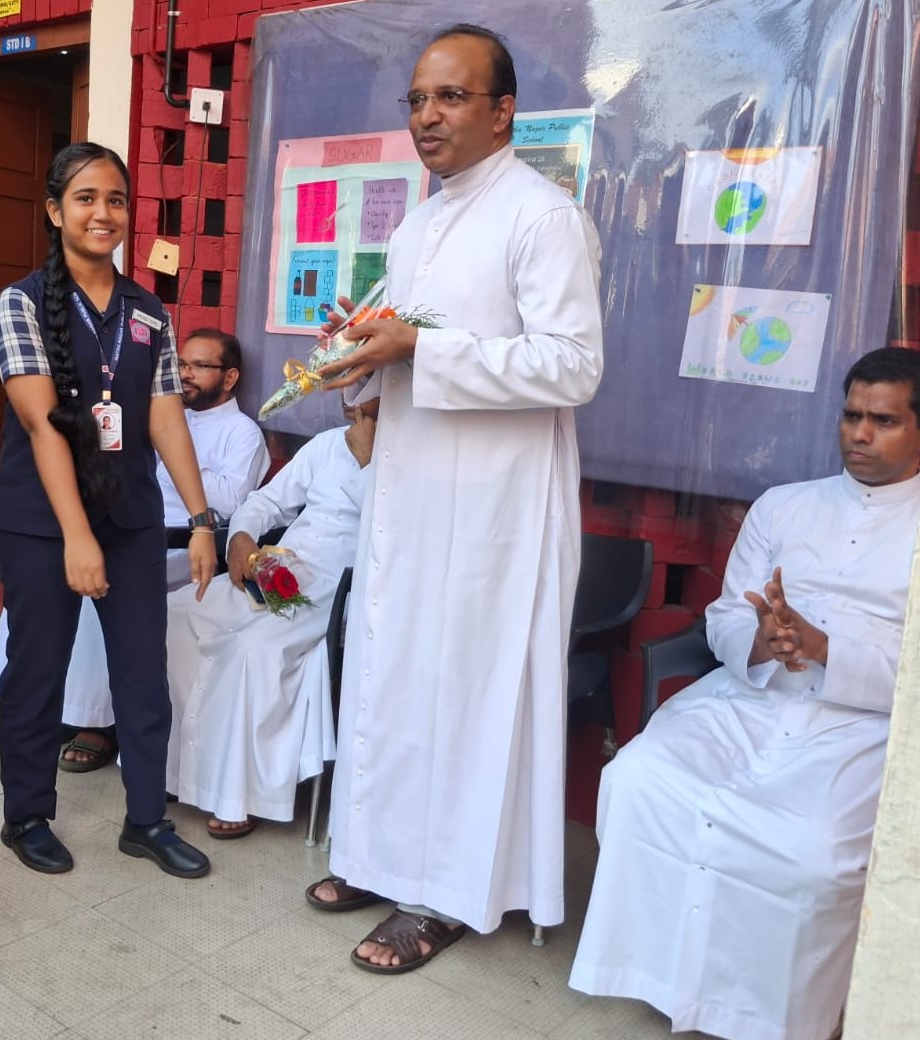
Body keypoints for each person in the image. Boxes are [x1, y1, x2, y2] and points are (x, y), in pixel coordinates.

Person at [305, 24, 604, 973]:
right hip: (412, 489)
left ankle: (445, 894)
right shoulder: (418, 222)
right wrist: (359, 357)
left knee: (463, 693)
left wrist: (418, 351)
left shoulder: (541, 215)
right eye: (418, 100)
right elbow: (406, 349)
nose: (427, 117)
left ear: (502, 109)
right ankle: (376, 855)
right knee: (393, 676)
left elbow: (574, 366)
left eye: (450, 98)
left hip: (494, 514)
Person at [570, 347, 920, 1040]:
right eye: (851, 415)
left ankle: (767, 1014)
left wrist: (826, 649)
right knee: (639, 780)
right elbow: (728, 614)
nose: (859, 434)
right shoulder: (784, 505)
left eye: (883, 420)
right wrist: (765, 638)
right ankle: (661, 976)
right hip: (747, 699)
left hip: (861, 725)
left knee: (812, 852)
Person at [0, 141, 217, 880]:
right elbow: (40, 423)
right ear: (55, 210)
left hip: (131, 519)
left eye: (116, 199)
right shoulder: (20, 303)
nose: (103, 212)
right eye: (86, 197)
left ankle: (146, 819)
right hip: (43, 523)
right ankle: (26, 814)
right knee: (38, 671)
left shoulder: (149, 312)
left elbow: (166, 418)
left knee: (143, 675)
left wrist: (203, 516)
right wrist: (76, 537)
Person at [0, 327, 270, 772]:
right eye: (181, 365)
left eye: (199, 366)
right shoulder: (157, 411)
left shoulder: (242, 432)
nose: (186, 374)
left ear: (230, 378)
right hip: (126, 527)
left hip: (179, 543)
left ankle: (97, 723)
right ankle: (55, 708)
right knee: (51, 580)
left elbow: (234, 500)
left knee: (101, 593)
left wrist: (167, 452)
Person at [168, 397, 376, 838]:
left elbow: (400, 535)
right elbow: (266, 501)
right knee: (178, 612)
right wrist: (242, 537)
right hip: (280, 568)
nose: (351, 397)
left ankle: (241, 792)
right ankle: (182, 770)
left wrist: (368, 462)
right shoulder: (324, 444)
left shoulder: (414, 457)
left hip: (342, 591)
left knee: (254, 648)